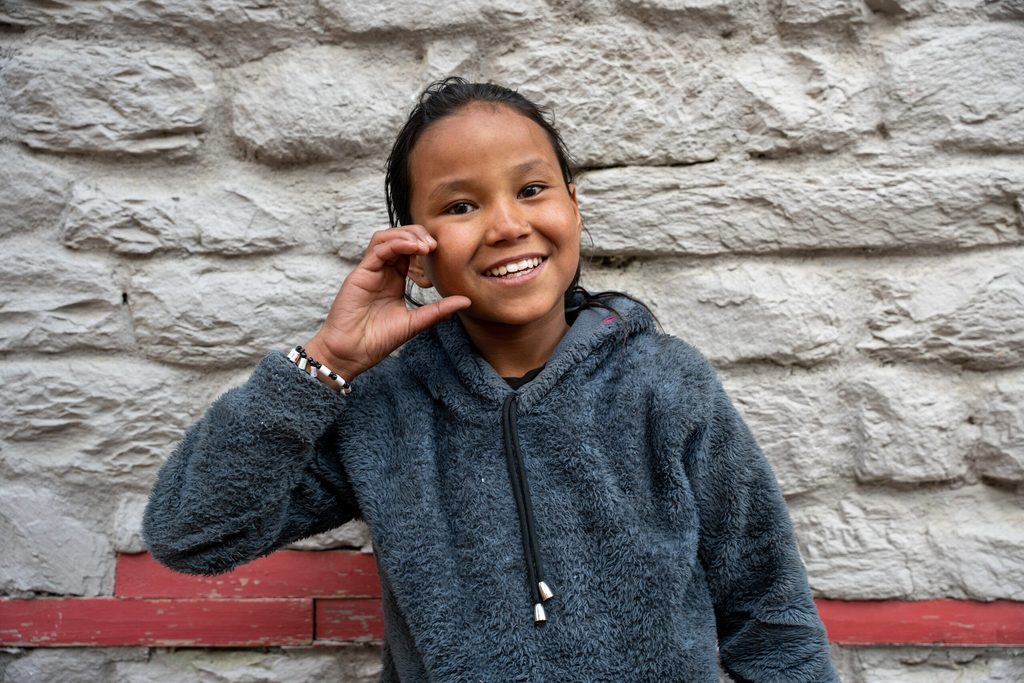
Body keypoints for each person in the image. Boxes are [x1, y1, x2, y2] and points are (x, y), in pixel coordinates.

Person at [142, 77, 839, 682]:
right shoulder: (387, 408)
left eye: (532, 189)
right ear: (415, 255)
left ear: (573, 205)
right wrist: (328, 361)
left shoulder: (666, 384)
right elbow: (191, 533)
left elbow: (767, 606)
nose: (507, 224)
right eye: (460, 206)